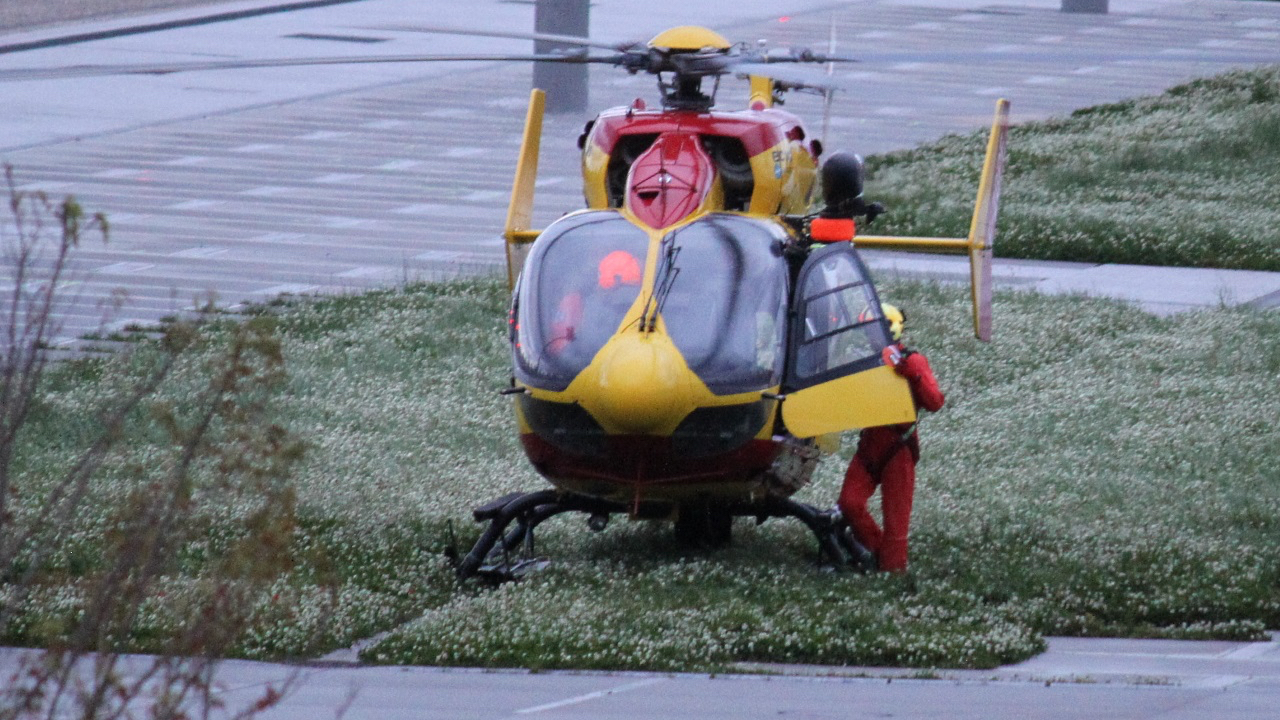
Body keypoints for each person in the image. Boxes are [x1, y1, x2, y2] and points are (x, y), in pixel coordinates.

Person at [836, 304, 944, 573]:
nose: (869, 335)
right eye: (867, 329)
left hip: (899, 449)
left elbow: (935, 402)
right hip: (870, 445)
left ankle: (892, 571)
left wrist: (912, 374)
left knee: (897, 523)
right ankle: (875, 551)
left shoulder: (913, 361)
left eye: (873, 329)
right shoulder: (867, 361)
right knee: (849, 503)